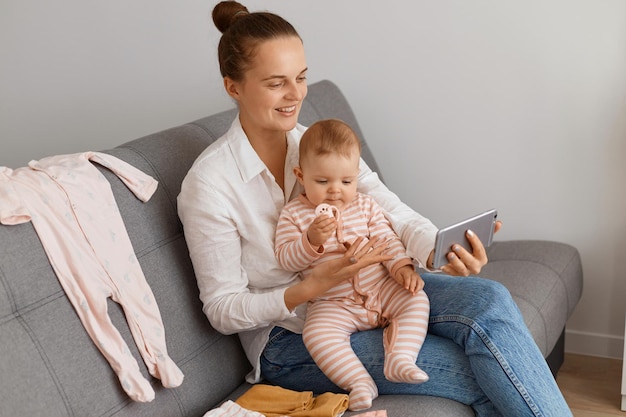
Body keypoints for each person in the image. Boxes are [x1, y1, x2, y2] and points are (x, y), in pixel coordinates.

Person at [177, 1, 572, 416]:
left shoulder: (318, 144)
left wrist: (438, 250)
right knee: (482, 374)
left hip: (374, 288)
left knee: (489, 300)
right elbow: (222, 308)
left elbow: (389, 209)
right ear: (233, 87)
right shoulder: (209, 185)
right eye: (277, 83)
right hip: (294, 338)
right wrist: (307, 289)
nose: (296, 95)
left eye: (301, 77)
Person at [274, 119, 430, 410]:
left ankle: (400, 357)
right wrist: (310, 240)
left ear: (356, 177)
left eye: (346, 181)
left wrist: (401, 268)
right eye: (322, 181)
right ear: (301, 175)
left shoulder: (366, 206)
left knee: (416, 299)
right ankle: (358, 382)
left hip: (382, 288)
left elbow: (387, 239)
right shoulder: (294, 214)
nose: (335, 190)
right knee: (317, 335)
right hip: (333, 303)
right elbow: (285, 257)